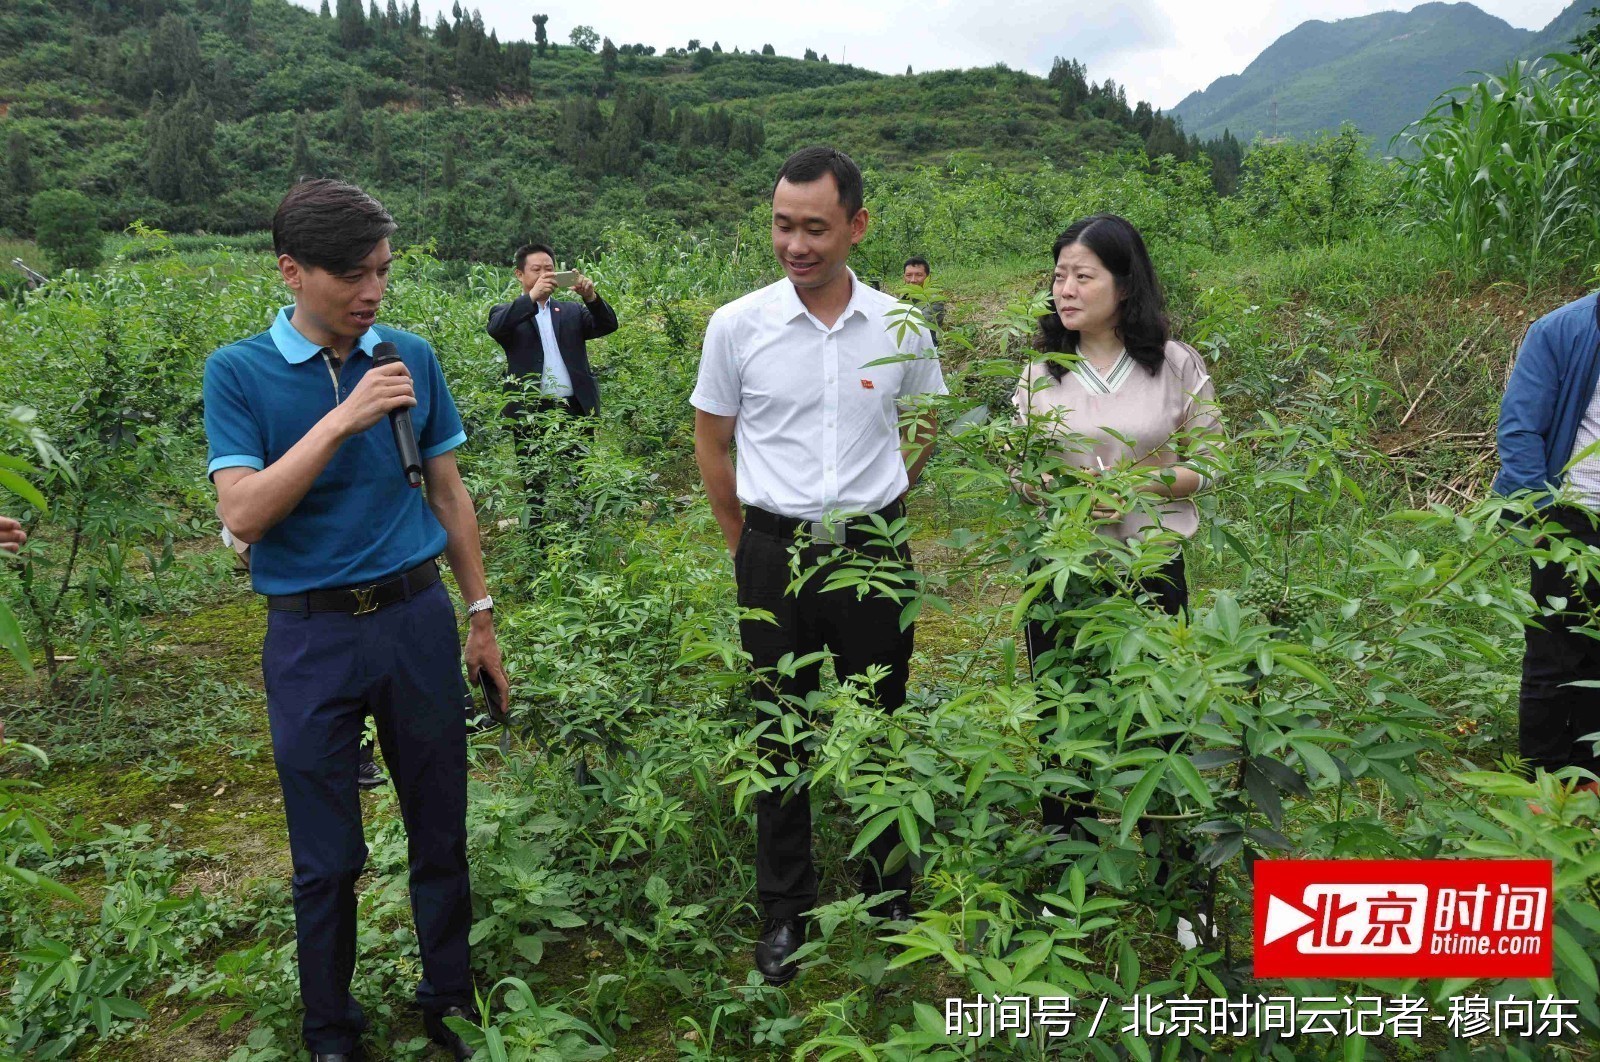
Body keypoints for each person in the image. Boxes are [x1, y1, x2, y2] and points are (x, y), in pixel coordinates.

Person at [203, 179, 508, 1062]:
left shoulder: (408, 354)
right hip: (309, 636)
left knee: (440, 829)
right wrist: (343, 419)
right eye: (353, 277)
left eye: (381, 271)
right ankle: (330, 1028)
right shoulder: (239, 373)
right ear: (292, 271)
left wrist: (479, 616)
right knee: (327, 856)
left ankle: (450, 996)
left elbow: (449, 493)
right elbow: (246, 514)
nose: (373, 293)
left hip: (413, 618)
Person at [691, 146, 946, 986]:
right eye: (781, 225)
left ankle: (886, 892)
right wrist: (744, 545)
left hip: (875, 550)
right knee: (780, 732)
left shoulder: (902, 324)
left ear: (856, 226)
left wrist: (890, 493)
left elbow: (929, 420)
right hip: (774, 554)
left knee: (881, 716)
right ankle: (785, 909)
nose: (795, 244)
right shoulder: (738, 325)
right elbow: (712, 439)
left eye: (814, 228)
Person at [1011, 213, 1221, 948]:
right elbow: (1021, 469)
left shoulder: (1176, 364)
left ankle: (1178, 879)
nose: (1064, 289)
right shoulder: (1040, 374)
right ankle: (1069, 880)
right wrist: (1056, 491)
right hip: (1064, 571)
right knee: (1064, 723)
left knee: (1161, 721)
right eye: (1059, 274)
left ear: (1123, 284)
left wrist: (1148, 487)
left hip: (1151, 569)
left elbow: (1212, 461)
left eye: (1082, 275)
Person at [1493, 290, 1600, 799]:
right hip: (1570, 519)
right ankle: (1545, 782)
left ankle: (1590, 777)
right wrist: (1538, 512)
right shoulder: (1562, 329)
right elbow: (1520, 427)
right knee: (1556, 653)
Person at [486, 243, 618, 523]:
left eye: (549, 269)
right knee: (536, 484)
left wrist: (592, 298)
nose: (545, 274)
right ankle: (539, 548)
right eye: (536, 270)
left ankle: (582, 537)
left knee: (580, 477)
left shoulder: (570, 311)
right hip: (530, 411)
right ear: (519, 274)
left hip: (574, 409)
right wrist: (531, 299)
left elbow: (608, 325)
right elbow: (497, 329)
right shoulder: (507, 312)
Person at [901, 255, 945, 339]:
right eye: (909, 275)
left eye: (918, 275)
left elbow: (920, 326)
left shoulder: (935, 301)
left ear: (928, 277)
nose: (913, 280)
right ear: (904, 277)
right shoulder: (903, 297)